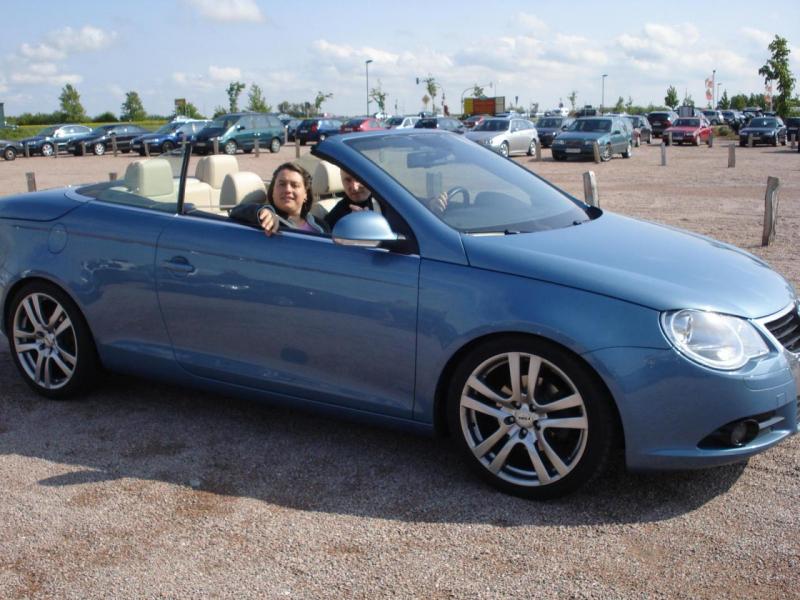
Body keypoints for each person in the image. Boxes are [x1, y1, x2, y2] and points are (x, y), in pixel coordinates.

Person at [229, 162, 325, 236]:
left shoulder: (320, 224)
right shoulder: (265, 222)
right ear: (273, 192)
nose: (288, 190)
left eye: (295, 185)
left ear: (306, 194)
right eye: (282, 184)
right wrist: (263, 212)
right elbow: (237, 211)